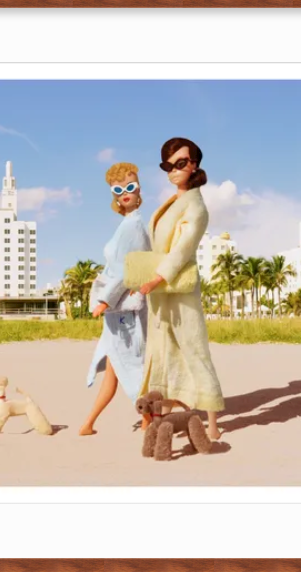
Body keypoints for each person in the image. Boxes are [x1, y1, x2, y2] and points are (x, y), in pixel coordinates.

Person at [136, 137, 225, 440]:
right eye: (168, 165)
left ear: (194, 164)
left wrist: (156, 278)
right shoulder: (172, 201)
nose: (174, 170)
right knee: (162, 350)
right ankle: (165, 414)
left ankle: (212, 422)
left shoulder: (196, 205)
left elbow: (182, 250)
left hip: (178, 286)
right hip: (160, 290)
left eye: (181, 163)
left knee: (193, 347)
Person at [79, 162, 151, 436]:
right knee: (116, 367)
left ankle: (148, 419)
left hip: (123, 312)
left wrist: (105, 301)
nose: (125, 193)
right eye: (119, 189)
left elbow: (126, 269)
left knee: (132, 367)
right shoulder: (127, 224)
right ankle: (89, 423)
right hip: (118, 312)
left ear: (139, 188)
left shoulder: (134, 225)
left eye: (130, 187)